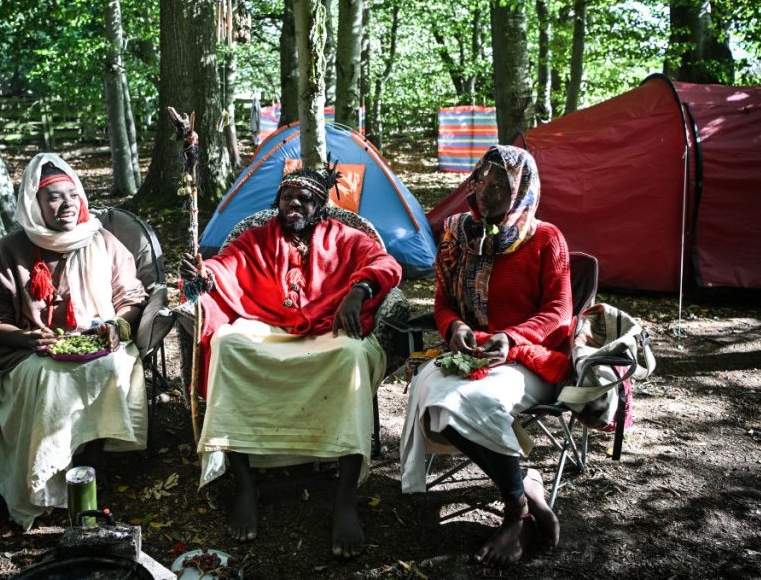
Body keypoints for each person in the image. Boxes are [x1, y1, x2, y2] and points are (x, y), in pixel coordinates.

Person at [180, 167, 402, 559]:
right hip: (266, 326)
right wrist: (204, 274)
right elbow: (225, 266)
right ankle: (246, 484)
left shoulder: (347, 238)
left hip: (326, 330)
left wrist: (359, 289)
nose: (294, 204)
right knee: (227, 345)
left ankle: (345, 498)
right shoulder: (257, 239)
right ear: (277, 201)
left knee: (352, 355)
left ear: (320, 206)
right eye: (287, 197)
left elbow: (386, 264)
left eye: (305, 199)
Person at [399, 145, 573, 565]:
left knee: (470, 402)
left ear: (522, 190)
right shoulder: (458, 233)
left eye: (502, 185)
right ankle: (524, 485)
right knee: (430, 401)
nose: (488, 192)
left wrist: (511, 338)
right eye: (483, 180)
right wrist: (454, 327)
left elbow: (560, 310)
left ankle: (515, 513)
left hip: (526, 356)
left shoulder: (546, 238)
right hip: (472, 349)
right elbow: (443, 303)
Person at [0, 153, 148, 529]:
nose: (66, 204)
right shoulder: (11, 249)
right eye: (54, 197)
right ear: (34, 205)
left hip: (96, 339)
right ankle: (48, 476)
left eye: (72, 195)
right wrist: (25, 336)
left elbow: (131, 297)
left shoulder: (101, 239)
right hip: (30, 349)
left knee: (113, 364)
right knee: (50, 380)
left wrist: (118, 325)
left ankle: (94, 458)